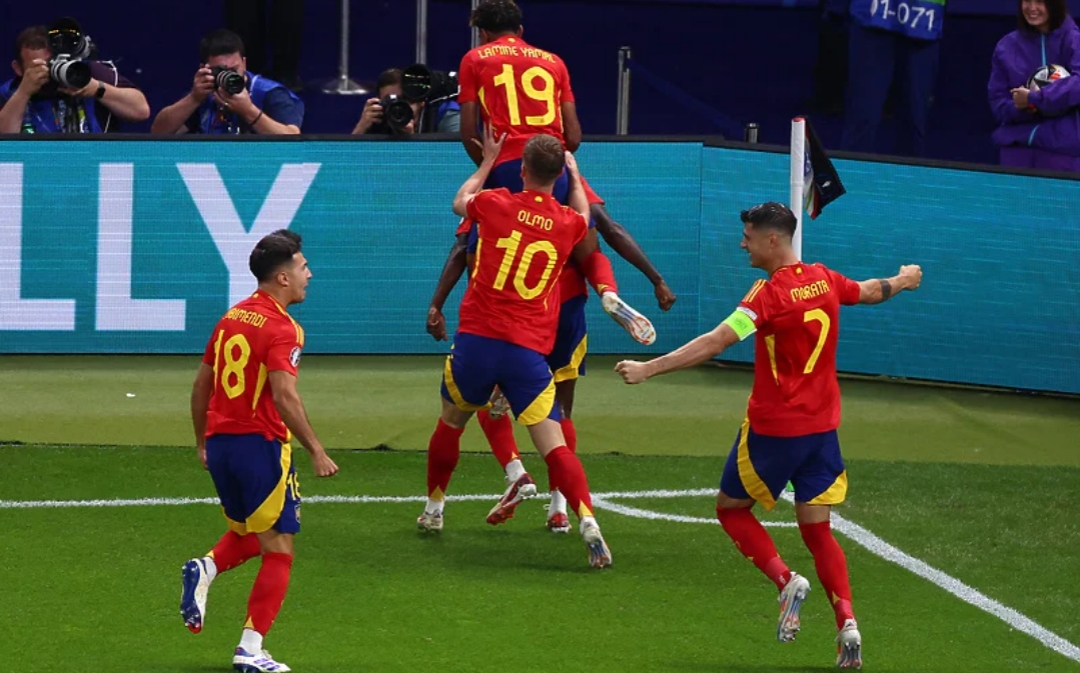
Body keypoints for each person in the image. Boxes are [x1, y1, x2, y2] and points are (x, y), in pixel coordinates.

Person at [614, 202, 923, 669]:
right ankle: (848, 624)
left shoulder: (768, 294)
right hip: (822, 433)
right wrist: (903, 279)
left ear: (772, 239)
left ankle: (785, 581)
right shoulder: (824, 278)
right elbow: (868, 291)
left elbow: (717, 341)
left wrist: (648, 369)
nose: (743, 243)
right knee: (818, 531)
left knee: (730, 510)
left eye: (749, 235)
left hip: (776, 432)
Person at [433, 0, 663, 533]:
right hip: (558, 173)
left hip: (508, 179)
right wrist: (566, 172)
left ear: (482, 32)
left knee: (479, 245)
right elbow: (573, 136)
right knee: (585, 235)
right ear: (521, 27)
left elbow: (469, 133)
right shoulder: (554, 61)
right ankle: (607, 292)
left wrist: (491, 166)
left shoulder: (476, 60)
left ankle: (462, 493)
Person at [417, 128, 613, 570]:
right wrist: (575, 176)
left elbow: (459, 201)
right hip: (527, 350)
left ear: (522, 169)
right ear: (559, 174)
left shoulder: (496, 202)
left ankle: (434, 508)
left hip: (478, 341)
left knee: (451, 422)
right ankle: (587, 520)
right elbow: (585, 215)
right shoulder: (568, 222)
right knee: (554, 444)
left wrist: (487, 162)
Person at [180, 229, 339, 673]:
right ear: (283, 277)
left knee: (253, 532)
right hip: (261, 446)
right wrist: (316, 449)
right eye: (303, 267)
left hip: (222, 445)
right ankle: (250, 649)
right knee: (280, 547)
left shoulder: (231, 317)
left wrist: (202, 441)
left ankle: (206, 568)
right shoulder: (284, 328)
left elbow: (201, 386)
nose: (309, 274)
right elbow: (284, 395)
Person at [0, 23, 150, 134]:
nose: (48, 70)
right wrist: (23, 93)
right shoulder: (10, 92)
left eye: (52, 62)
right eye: (38, 66)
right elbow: (4, 142)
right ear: (18, 69)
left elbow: (141, 110)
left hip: (95, 159)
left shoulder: (86, 71)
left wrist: (97, 88)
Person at [151, 29, 303, 135]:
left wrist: (248, 111)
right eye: (221, 70)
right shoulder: (203, 94)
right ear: (204, 68)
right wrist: (193, 99)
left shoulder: (270, 93)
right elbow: (158, 134)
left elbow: (292, 139)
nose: (229, 76)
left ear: (244, 63)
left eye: (234, 69)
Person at [842, 0, 944, 156]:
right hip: (872, 15)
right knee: (863, 118)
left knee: (913, 121)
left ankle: (909, 172)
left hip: (924, 19)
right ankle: (851, 171)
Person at [988, 0, 1080, 172]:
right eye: (1027, 1)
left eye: (1039, 1)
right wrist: (1021, 107)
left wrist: (1036, 98)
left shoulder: (1074, 39)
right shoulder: (1006, 46)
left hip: (1062, 152)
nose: (1032, 8)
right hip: (1016, 150)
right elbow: (998, 103)